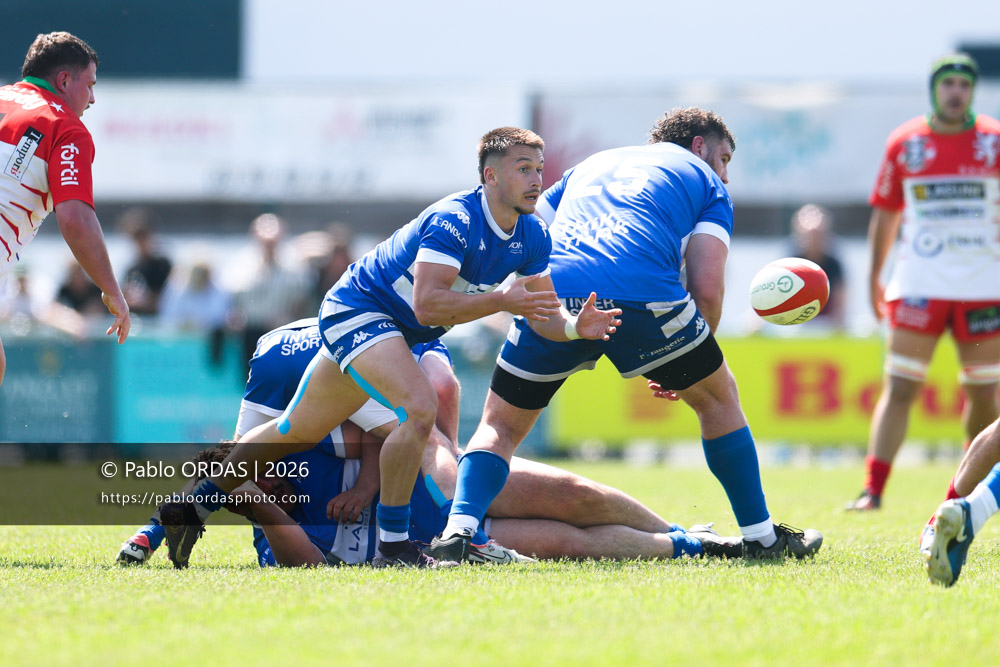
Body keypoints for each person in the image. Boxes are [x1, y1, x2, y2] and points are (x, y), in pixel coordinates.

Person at [160, 128, 621, 568]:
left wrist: (576, 328)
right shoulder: (455, 220)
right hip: (357, 310)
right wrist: (501, 299)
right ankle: (395, 545)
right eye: (524, 168)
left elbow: (543, 315)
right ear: (490, 175)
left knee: (293, 429)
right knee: (419, 409)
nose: (537, 179)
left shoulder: (533, 235)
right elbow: (427, 305)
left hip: (393, 329)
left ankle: (190, 507)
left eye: (540, 168)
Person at [426, 108, 823, 564]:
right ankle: (762, 538)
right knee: (718, 398)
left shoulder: (589, 166)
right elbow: (708, 289)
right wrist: (687, 355)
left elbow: (529, 225)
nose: (726, 174)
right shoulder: (704, 179)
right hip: (643, 293)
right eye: (725, 158)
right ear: (699, 146)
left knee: (498, 426)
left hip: (554, 290)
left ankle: (459, 535)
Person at [119, 319, 739, 567]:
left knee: (573, 491)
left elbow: (382, 430)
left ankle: (697, 534)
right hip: (413, 521)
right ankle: (691, 546)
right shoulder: (272, 518)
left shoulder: (326, 377)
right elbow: (303, 550)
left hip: (412, 489)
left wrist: (369, 480)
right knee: (561, 539)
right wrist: (254, 505)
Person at [846, 53, 1000, 512]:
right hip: (919, 284)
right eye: (948, 83)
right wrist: (876, 275)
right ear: (934, 89)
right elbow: (887, 213)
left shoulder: (993, 141)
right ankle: (872, 490)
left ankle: (968, 495)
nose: (957, 91)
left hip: (982, 286)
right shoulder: (906, 142)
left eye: (964, 84)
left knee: (984, 392)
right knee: (900, 387)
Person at [0, 31, 130, 387]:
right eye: (89, 85)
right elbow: (75, 219)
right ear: (63, 80)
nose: (92, 98)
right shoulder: (66, 128)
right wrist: (112, 289)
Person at [230, 213, 311, 366]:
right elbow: (233, 299)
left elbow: (302, 300)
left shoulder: (295, 267)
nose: (269, 246)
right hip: (250, 334)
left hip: (282, 334)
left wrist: (291, 317)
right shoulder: (241, 265)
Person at [788, 204, 846, 331]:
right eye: (810, 235)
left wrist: (838, 324)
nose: (814, 240)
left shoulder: (833, 263)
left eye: (819, 235)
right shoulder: (791, 261)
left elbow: (840, 301)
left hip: (826, 325)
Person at [119, 208, 172, 317]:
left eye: (143, 236)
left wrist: (145, 301)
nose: (140, 242)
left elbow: (169, 299)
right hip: (136, 323)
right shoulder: (132, 269)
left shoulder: (163, 265)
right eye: (136, 238)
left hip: (159, 322)